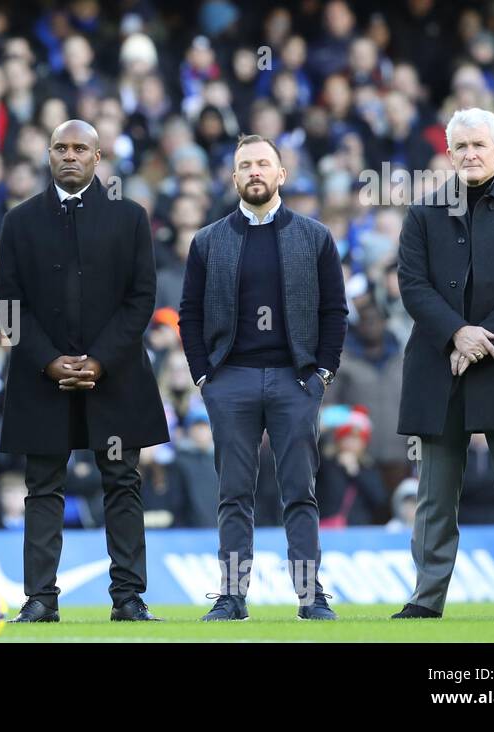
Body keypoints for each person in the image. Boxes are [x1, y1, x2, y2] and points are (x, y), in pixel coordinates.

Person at [0, 119, 168, 623]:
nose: (69, 155)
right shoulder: (20, 221)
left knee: (122, 481)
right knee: (42, 487)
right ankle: (41, 599)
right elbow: (8, 303)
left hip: (114, 376)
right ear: (48, 155)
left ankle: (129, 599)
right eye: (60, 148)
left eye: (80, 148)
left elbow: (142, 300)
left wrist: (100, 359)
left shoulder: (130, 217)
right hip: (39, 376)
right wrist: (49, 360)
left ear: (99, 157)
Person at [394, 107, 494, 619]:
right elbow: (412, 286)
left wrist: (481, 339)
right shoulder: (422, 214)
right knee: (434, 497)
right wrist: (456, 334)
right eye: (460, 146)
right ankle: (425, 601)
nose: (469, 154)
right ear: (449, 153)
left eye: (479, 145)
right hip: (438, 366)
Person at [178, 134, 348, 621]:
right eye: (245, 165)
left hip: (297, 383)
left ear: (281, 174)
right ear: (233, 178)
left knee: (300, 491)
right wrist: (203, 376)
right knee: (233, 493)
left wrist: (322, 372)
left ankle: (309, 594)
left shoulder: (314, 236)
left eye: (263, 164)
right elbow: (188, 314)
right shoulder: (209, 240)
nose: (254, 171)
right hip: (230, 381)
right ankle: (232, 596)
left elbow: (334, 310)